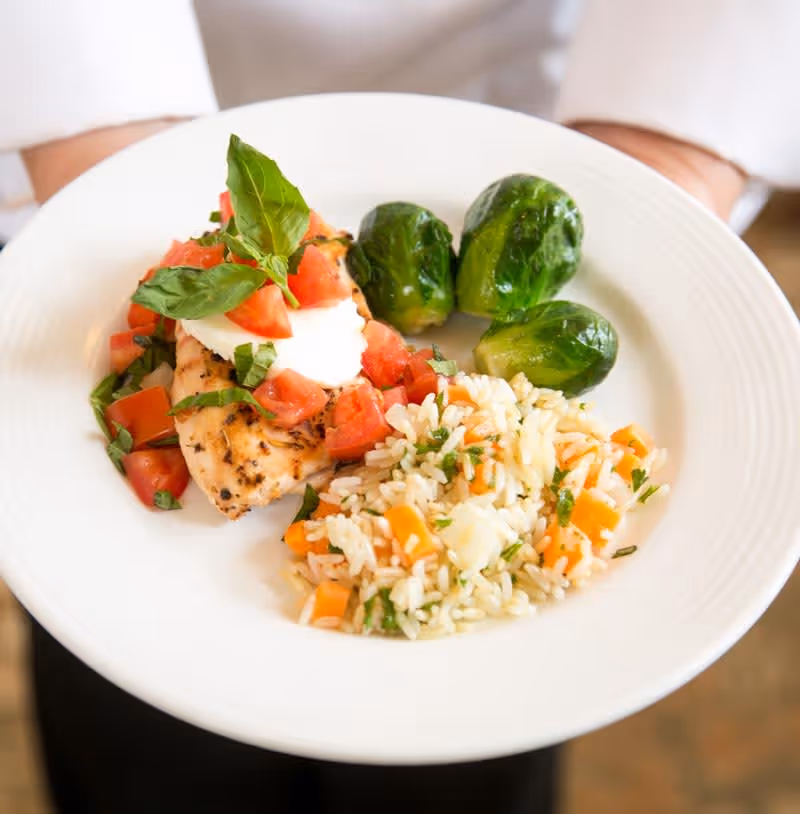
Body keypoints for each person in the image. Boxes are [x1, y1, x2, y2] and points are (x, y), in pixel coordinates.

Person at [2, 2, 799, 812]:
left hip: (523, 83)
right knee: (149, 758)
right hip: (120, 73)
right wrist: (99, 140)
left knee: (455, 779)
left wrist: (669, 147)